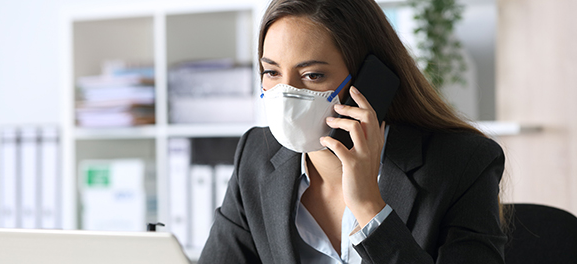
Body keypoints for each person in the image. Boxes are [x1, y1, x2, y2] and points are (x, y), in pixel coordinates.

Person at [199, 0, 507, 263]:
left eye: (312, 75)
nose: (285, 93)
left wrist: (370, 208)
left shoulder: (463, 163)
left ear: (369, 79)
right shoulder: (256, 155)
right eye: (272, 72)